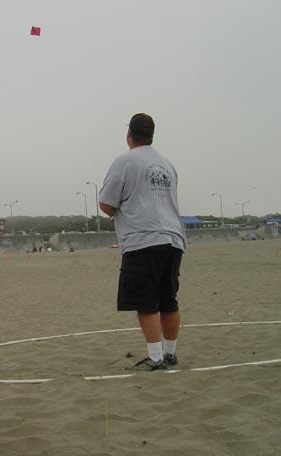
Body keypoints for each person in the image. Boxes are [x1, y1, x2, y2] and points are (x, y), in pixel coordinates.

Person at [99, 114, 186, 371]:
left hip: (143, 239)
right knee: (168, 299)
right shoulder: (167, 165)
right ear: (151, 135)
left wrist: (118, 211)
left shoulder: (125, 161)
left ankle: (156, 357)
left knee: (146, 301)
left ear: (129, 134)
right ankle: (170, 353)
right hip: (173, 238)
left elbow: (107, 203)